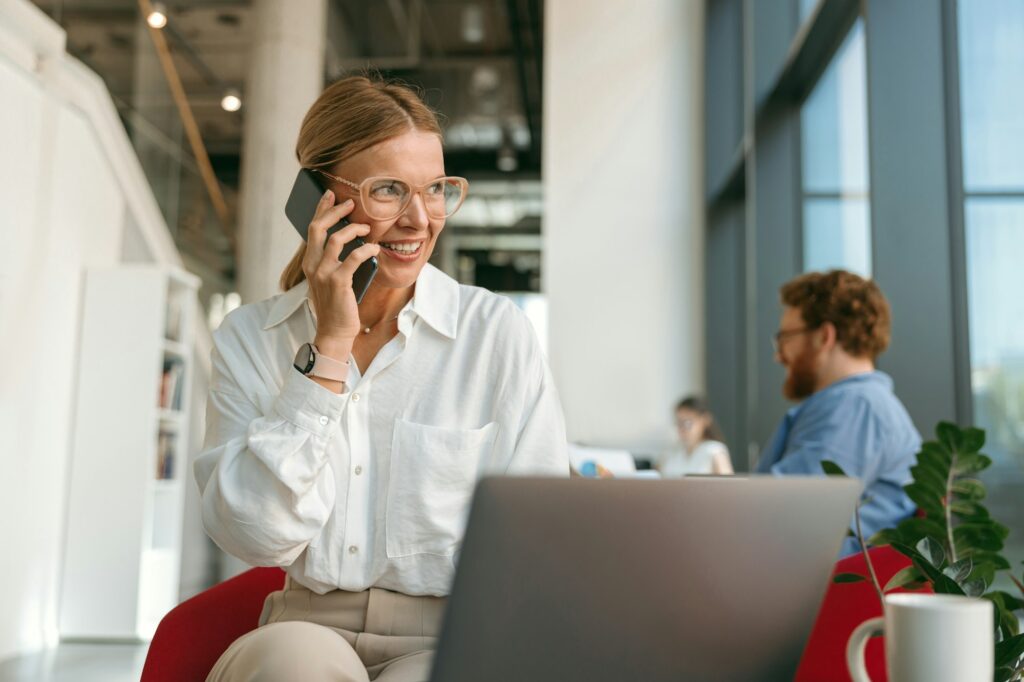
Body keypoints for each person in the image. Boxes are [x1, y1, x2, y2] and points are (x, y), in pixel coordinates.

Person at [194, 76, 569, 682]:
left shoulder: (494, 332)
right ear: (318, 198)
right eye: (390, 189)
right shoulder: (250, 338)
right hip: (302, 628)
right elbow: (256, 537)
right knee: (290, 670)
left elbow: (540, 533)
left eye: (437, 189)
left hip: (448, 635)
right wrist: (329, 349)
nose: (420, 219)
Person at [757, 270, 920, 556]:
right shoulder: (859, 404)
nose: (778, 355)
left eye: (784, 338)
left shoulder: (855, 407)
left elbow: (782, 521)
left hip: (820, 592)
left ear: (824, 336)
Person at [658, 396, 733, 476]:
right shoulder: (671, 453)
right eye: (678, 423)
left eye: (687, 423)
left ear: (705, 420)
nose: (682, 428)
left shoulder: (714, 451)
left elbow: (728, 486)